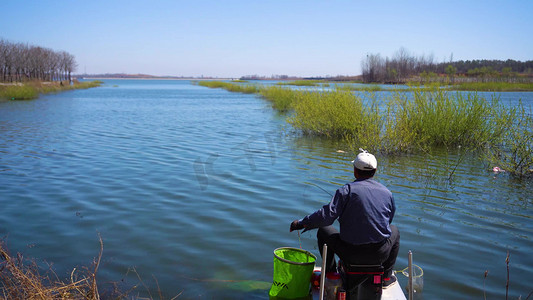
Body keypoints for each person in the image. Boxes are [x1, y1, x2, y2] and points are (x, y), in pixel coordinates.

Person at [290, 149, 400, 286]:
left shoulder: (345, 191)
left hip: (350, 253)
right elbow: (388, 221)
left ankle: (331, 273)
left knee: (324, 230)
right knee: (394, 230)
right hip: (378, 254)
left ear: (355, 170)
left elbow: (325, 217)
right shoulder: (387, 193)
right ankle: (386, 278)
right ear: (375, 170)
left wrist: (301, 223)